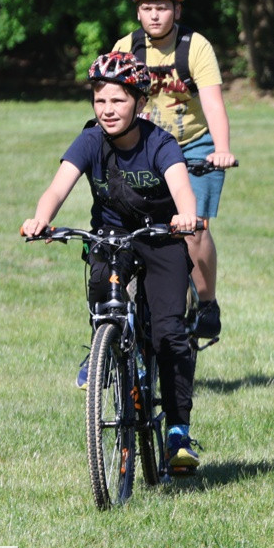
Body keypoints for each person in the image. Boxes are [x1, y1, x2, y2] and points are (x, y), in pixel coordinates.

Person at [21, 52, 202, 471]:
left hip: (161, 236)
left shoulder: (160, 144)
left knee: (169, 333)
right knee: (104, 297)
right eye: (100, 101)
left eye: (118, 101)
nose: (108, 110)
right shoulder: (89, 141)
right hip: (111, 235)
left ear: (138, 103)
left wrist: (185, 214)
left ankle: (178, 432)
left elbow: (182, 189)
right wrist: (41, 219)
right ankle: (105, 347)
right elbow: (57, 188)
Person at [111, 0, 235, 341]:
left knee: (193, 229)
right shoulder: (126, 48)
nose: (154, 15)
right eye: (147, 7)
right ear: (138, 12)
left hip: (194, 146)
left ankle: (207, 302)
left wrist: (223, 149)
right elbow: (111, 100)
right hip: (146, 147)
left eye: (162, 7)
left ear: (176, 11)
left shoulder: (195, 47)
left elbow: (212, 103)